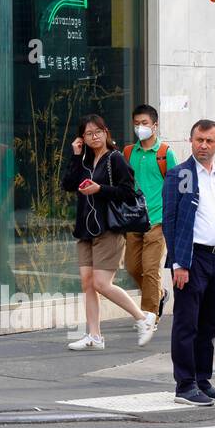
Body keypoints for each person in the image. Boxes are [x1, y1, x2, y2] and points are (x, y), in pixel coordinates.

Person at [161, 119, 215, 407]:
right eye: (199, 140)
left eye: (209, 141)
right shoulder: (179, 174)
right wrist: (178, 263)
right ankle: (185, 385)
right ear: (191, 140)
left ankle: (203, 381)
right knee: (187, 323)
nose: (204, 146)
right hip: (191, 260)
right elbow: (169, 222)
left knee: (209, 325)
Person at [62, 115, 156, 350]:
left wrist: (99, 189)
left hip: (109, 229)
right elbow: (67, 185)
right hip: (85, 228)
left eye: (97, 132)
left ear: (106, 132)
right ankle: (94, 335)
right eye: (88, 134)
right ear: (81, 138)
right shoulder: (83, 161)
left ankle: (143, 318)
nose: (94, 137)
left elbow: (127, 192)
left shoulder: (115, 159)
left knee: (102, 283)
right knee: (87, 284)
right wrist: (75, 156)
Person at [122, 104, 176, 325]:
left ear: (155, 125)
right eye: (136, 124)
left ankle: (148, 317)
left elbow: (174, 186)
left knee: (151, 269)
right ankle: (160, 295)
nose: (140, 127)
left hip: (157, 220)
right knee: (133, 267)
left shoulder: (165, 153)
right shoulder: (128, 152)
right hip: (134, 219)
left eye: (144, 123)